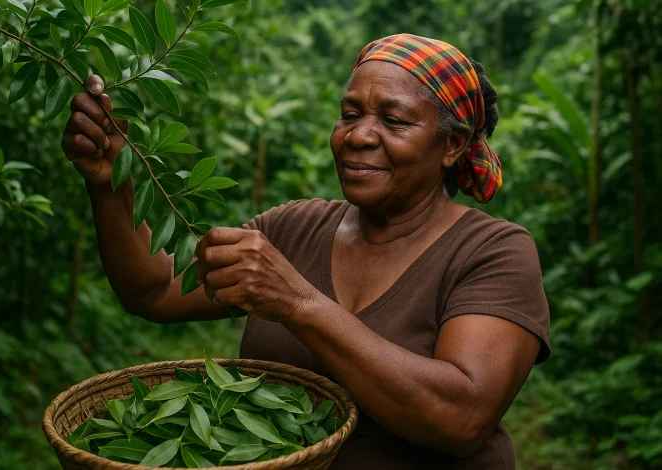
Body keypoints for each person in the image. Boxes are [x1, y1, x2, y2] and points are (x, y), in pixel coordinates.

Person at [60, 33, 550, 469]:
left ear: (453, 145)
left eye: (394, 120)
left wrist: (299, 303)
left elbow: (460, 420)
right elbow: (153, 292)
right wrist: (110, 184)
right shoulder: (292, 228)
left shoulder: (493, 251)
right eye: (350, 114)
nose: (358, 137)